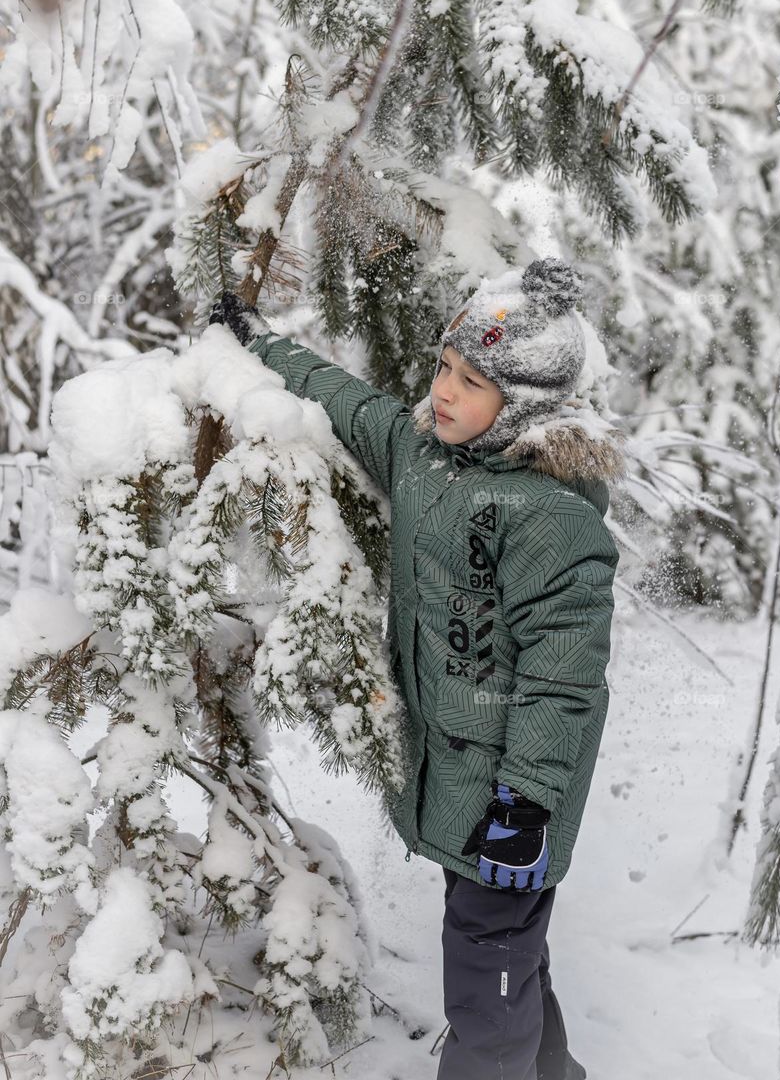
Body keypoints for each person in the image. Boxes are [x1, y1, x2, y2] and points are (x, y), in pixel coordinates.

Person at [210, 256, 625, 1080]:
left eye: (470, 382)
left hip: (511, 799)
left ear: (523, 409)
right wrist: (259, 345)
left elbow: (564, 678)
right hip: (460, 784)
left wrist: (528, 802)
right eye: (443, 366)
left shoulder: (552, 517)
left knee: (484, 986)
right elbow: (347, 400)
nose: (442, 390)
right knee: (502, 963)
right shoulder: (424, 455)